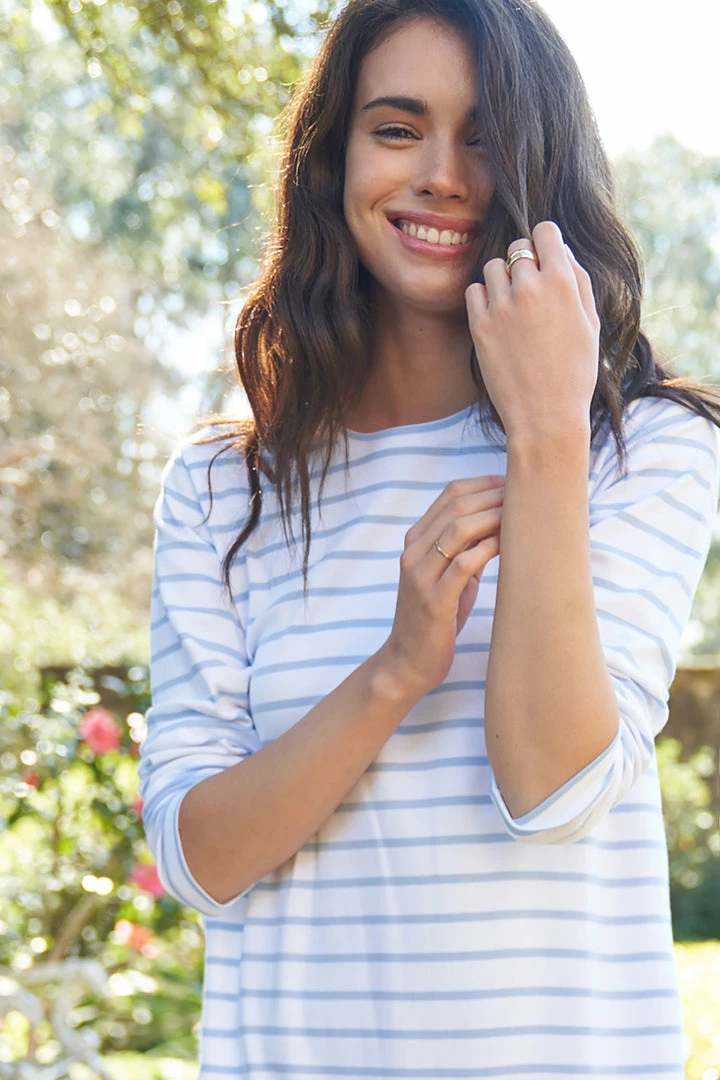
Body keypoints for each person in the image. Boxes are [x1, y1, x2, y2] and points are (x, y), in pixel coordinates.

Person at [138, 0, 720, 1076]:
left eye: (487, 136)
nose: (442, 174)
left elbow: (557, 793)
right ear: (334, 159)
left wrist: (545, 432)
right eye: (397, 128)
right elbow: (197, 860)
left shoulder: (646, 449)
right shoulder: (226, 487)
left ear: (543, 163)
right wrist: (399, 667)